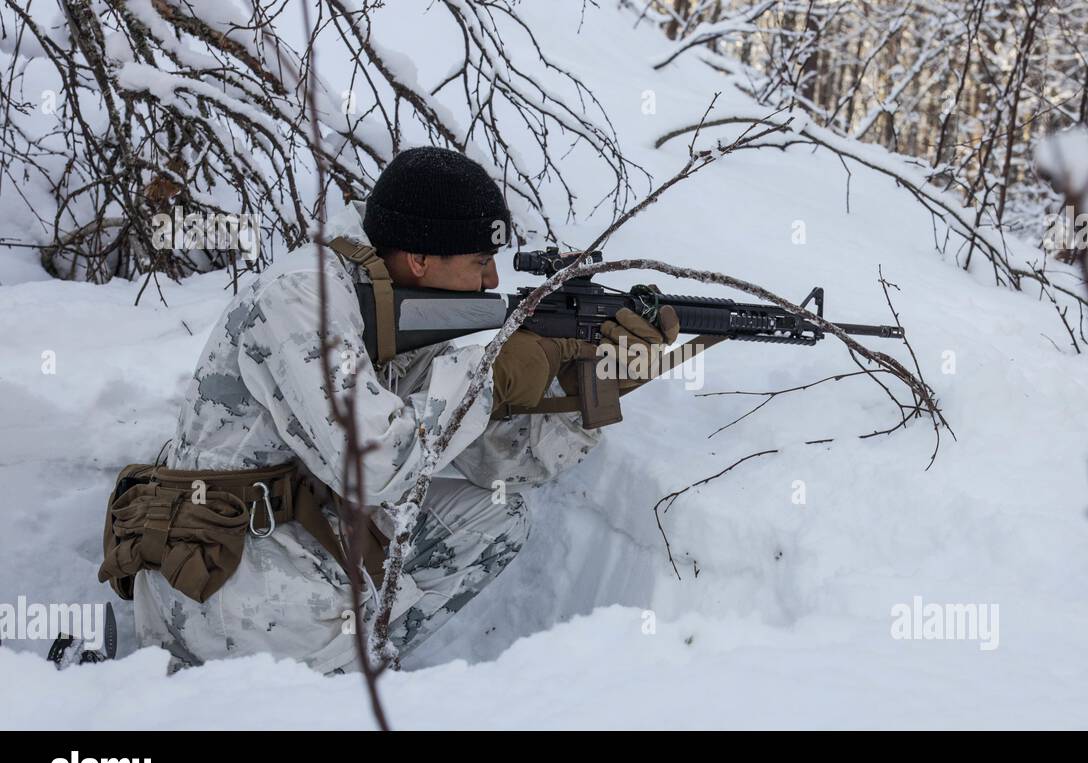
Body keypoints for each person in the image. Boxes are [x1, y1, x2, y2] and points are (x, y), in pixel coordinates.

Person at [127, 146, 677, 672]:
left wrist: (582, 388)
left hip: (291, 533)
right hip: (220, 578)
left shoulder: (391, 301)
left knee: (495, 514)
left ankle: (354, 660)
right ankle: (318, 681)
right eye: (481, 261)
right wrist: (491, 375)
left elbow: (490, 462)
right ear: (419, 259)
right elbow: (375, 464)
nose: (492, 281)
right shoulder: (300, 300)